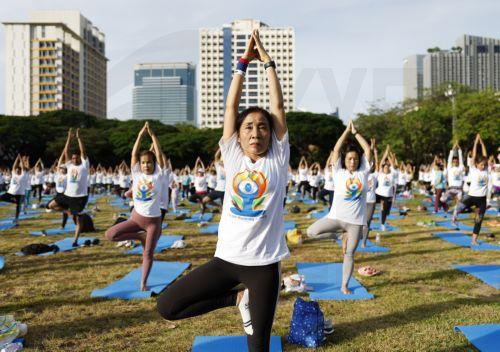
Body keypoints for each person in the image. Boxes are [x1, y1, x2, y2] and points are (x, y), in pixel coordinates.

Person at [157, 30, 289, 352]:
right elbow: (231, 106)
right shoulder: (231, 155)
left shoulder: (277, 158)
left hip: (264, 266)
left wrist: (268, 63)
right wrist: (244, 62)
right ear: (239, 136)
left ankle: (248, 299)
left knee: (258, 347)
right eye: (248, 127)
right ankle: (235, 299)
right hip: (226, 260)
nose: (255, 132)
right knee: (167, 307)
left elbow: (277, 105)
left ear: (271, 135)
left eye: (262, 127)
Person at [306, 119, 371, 294]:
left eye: (355, 159)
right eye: (350, 158)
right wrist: (346, 131)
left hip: (355, 222)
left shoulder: (363, 173)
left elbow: (367, 150)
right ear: (345, 160)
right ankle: (338, 236)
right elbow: (336, 149)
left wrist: (356, 133)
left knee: (349, 254)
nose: (353, 161)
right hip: (335, 218)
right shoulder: (339, 172)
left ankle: (344, 285)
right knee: (311, 232)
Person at [105, 122, 165, 290]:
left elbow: (159, 156)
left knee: (148, 253)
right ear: (140, 164)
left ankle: (143, 282)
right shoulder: (137, 174)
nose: (147, 165)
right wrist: (139, 135)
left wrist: (152, 135)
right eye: (144, 162)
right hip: (136, 219)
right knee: (110, 235)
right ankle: (139, 237)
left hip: (153, 222)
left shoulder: (158, 176)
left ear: (154, 164)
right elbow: (133, 154)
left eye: (149, 162)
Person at [46, 128, 90, 246]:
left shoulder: (84, 166)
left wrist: (79, 138)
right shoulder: (69, 165)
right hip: (67, 195)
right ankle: (68, 211)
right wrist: (69, 138)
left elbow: (83, 152)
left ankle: (75, 241)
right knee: (50, 205)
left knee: (79, 220)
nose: (74, 159)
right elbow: (66, 152)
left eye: (77, 158)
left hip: (80, 197)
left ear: (80, 159)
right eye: (73, 158)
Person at [452, 134, 489, 245]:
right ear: (476, 164)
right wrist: (475, 143)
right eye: (481, 165)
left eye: (484, 165)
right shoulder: (473, 169)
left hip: (482, 199)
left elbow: (485, 155)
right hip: (471, 196)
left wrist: (482, 143)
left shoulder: (486, 170)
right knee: (459, 209)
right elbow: (473, 156)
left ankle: (474, 240)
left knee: (479, 220)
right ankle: (454, 216)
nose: (483, 166)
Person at [0, 154, 29, 223]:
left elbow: (23, 168)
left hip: (20, 193)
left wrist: (21, 159)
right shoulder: (14, 174)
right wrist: (17, 158)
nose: (16, 171)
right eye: (16, 170)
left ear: (20, 171)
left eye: (18, 170)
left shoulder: (23, 175)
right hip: (11, 192)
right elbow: (14, 166)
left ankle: (16, 218)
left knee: (18, 207)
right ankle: (15, 201)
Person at [375, 146, 397, 232]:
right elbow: (380, 163)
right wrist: (386, 152)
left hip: (388, 196)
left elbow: (392, 164)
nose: (386, 168)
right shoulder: (380, 174)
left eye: (388, 167)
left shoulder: (392, 174)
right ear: (383, 169)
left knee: (387, 212)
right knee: (382, 208)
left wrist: (389, 153)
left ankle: (383, 218)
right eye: (385, 167)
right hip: (379, 194)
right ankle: (383, 224)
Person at [362, 138, 378, 248]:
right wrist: (370, 148)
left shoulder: (375, 175)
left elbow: (377, 162)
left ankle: (364, 242)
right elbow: (364, 157)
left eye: (372, 165)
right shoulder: (363, 173)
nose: (371, 166)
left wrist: (375, 151)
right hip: (361, 200)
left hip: (371, 201)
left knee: (367, 222)